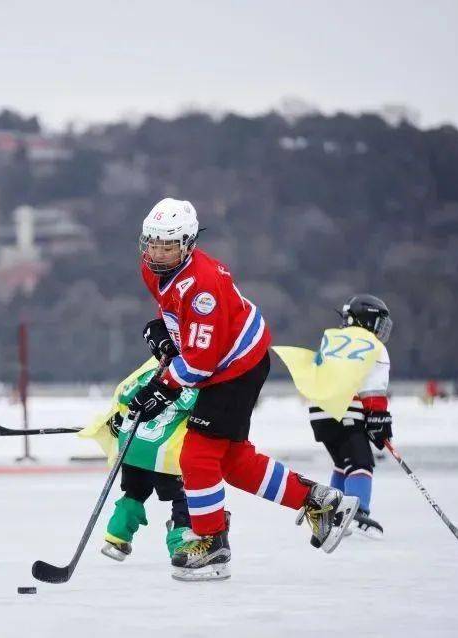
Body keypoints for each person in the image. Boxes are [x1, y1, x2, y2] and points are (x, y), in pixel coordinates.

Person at [129, 197, 359, 581]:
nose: (157, 252)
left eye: (167, 245)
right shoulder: (153, 269)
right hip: (224, 362)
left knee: (198, 457)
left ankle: (211, 543)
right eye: (152, 243)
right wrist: (165, 334)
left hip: (236, 367)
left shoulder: (204, 286)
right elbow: (173, 310)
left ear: (187, 244)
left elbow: (201, 363)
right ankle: (321, 502)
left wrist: (163, 387)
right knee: (232, 461)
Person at [296, 295, 394, 539]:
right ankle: (357, 513)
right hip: (346, 410)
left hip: (319, 413)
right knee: (361, 463)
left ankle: (330, 513)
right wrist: (379, 418)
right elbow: (373, 388)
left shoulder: (331, 339)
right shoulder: (373, 346)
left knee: (343, 463)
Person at [79, 358, 195, 562]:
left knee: (135, 492)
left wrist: (118, 420)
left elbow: (124, 396)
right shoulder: (194, 380)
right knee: (185, 497)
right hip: (166, 455)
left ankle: (116, 538)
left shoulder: (149, 374)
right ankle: (181, 545)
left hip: (132, 449)